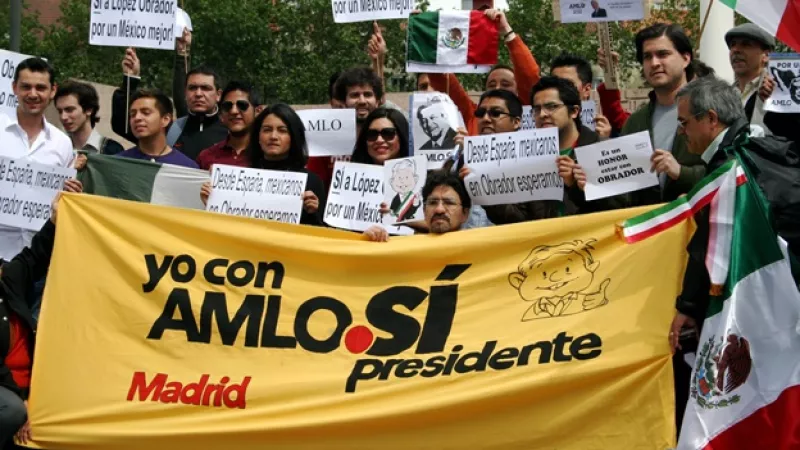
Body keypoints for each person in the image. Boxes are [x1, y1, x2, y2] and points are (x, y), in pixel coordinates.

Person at [666, 76, 754, 433]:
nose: (682, 131)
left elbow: (710, 243)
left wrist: (686, 308)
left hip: (737, 308)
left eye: (685, 122)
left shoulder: (727, 168)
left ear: (712, 119)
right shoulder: (758, 145)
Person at [0, 178, 82, 448]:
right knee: (13, 411)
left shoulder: (7, 275)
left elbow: (34, 256)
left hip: (30, 380)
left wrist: (56, 219)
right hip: (9, 389)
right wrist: (22, 399)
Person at [111, 31, 227, 161]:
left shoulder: (231, 132)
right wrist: (130, 79)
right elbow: (123, 125)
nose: (198, 94)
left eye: (205, 88)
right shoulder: (172, 129)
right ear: (185, 92)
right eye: (192, 88)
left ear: (218, 95)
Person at [201, 104, 326, 226]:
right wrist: (212, 203)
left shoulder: (311, 182)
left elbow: (323, 239)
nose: (273, 136)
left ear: (294, 137)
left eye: (282, 131)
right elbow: (227, 228)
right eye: (267, 130)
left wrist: (313, 213)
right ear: (258, 137)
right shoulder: (240, 179)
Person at [621, 23, 705, 202]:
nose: (654, 63)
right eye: (647, 57)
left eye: (663, 54)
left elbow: (732, 169)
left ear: (686, 59)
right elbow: (623, 194)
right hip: (648, 225)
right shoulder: (635, 123)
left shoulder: (711, 111)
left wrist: (682, 173)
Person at [0, 57, 73, 261]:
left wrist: (72, 193)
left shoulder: (62, 143)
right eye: (26, 87)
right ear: (14, 88)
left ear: (52, 91)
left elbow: (62, 198)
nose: (33, 94)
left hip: (39, 258)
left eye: (40, 87)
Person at [426, 9, 541, 136]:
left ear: (517, 122)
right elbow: (444, 82)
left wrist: (506, 31)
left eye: (506, 84)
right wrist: (424, 41)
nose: (497, 88)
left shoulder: (530, 110)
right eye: (491, 85)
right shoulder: (474, 114)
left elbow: (529, 74)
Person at [457, 89, 560, 224]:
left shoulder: (533, 162)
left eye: (496, 113)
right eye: (480, 113)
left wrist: (484, 190)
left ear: (516, 122)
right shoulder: (464, 160)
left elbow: (531, 221)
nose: (486, 119)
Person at [725, 23, 800, 140]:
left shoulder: (783, 89)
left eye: (746, 44)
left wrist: (777, 105)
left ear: (766, 55)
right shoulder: (724, 95)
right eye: (732, 45)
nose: (735, 50)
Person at [364, 171, 471, 241]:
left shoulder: (480, 255)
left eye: (449, 203)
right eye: (432, 203)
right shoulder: (404, 250)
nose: (439, 210)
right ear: (424, 210)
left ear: (465, 213)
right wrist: (368, 242)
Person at [117, 89, 199, 169]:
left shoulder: (187, 167)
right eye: (132, 114)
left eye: (146, 113)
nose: (137, 118)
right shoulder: (118, 163)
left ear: (166, 119)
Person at [54, 81, 124, 168]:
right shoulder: (56, 148)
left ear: (89, 110)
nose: (63, 117)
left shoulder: (112, 150)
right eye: (60, 111)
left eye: (70, 110)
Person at [196, 81, 261, 170]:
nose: (233, 111)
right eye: (227, 106)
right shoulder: (206, 157)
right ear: (221, 115)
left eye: (242, 105)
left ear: (257, 111)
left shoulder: (268, 155)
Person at [550, 53, 612, 139]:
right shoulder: (539, 124)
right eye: (554, 83)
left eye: (568, 84)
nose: (559, 90)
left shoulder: (600, 131)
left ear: (586, 90)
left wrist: (602, 143)